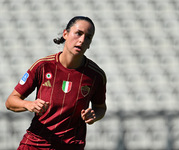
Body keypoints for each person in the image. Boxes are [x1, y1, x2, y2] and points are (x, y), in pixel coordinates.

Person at [5, 16, 107, 150]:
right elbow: (11, 101)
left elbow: (100, 107)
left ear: (90, 43)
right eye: (78, 33)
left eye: (88, 37)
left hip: (71, 146)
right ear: (65, 34)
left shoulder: (96, 75)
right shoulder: (42, 66)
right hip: (35, 145)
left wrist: (93, 115)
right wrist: (29, 105)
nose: (82, 40)